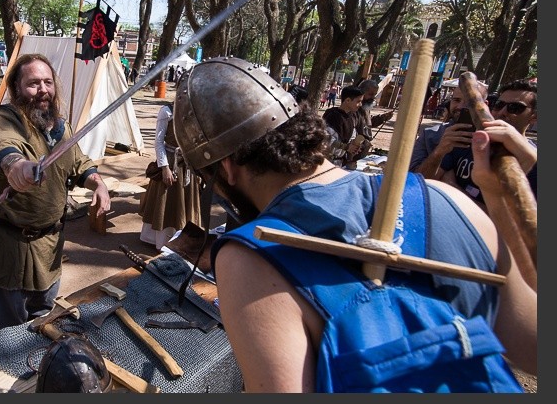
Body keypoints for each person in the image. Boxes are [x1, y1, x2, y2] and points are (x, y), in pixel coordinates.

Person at [171, 56, 536, 392]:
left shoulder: (249, 257)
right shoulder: (449, 198)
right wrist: (502, 198)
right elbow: (532, 346)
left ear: (227, 169)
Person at [0, 53, 111, 336]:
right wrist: (17, 166)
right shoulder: (3, 118)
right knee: (8, 334)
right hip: (9, 250)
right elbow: (4, 145)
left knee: (44, 321)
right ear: (16, 89)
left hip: (49, 249)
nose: (43, 90)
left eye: (48, 82)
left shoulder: (61, 128)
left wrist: (97, 183)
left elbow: (78, 163)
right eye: (33, 83)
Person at [440, 79, 537, 206]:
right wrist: (440, 150)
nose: (503, 112)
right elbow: (437, 179)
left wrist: (455, 191)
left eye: (515, 108)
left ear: (534, 117)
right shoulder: (469, 138)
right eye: (499, 104)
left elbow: (518, 222)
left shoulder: (532, 160)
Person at [138, 103, 202, 250]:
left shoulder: (196, 109)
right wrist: (165, 168)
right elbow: (159, 142)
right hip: (170, 160)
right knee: (165, 203)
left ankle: (182, 239)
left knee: (185, 204)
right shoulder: (167, 111)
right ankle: (159, 240)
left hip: (187, 162)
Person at [408, 83, 479, 177]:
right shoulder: (429, 135)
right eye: (456, 100)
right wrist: (438, 152)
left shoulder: (491, 141)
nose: (460, 106)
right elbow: (414, 180)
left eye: (469, 101)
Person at [321, 85, 363, 168]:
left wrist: (354, 146)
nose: (360, 104)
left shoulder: (350, 117)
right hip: (327, 162)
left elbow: (351, 136)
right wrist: (346, 147)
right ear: (347, 100)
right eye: (358, 101)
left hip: (339, 163)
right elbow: (326, 139)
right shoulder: (332, 116)